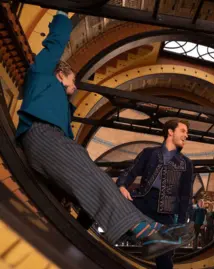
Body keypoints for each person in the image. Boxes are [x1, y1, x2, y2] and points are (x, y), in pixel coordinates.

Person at [16, 11, 192, 260]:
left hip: (54, 141)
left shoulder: (59, 107)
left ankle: (156, 231)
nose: (75, 87)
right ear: (59, 74)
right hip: (42, 135)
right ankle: (147, 230)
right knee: (94, 179)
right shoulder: (43, 74)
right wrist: (62, 13)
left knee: (98, 180)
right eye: (72, 80)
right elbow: (56, 40)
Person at [116, 119, 195, 268]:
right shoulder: (149, 153)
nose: (187, 136)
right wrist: (121, 185)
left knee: (164, 257)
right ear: (170, 132)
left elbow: (186, 196)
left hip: (167, 213)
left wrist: (181, 223)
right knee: (112, 202)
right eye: (183, 131)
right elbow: (131, 172)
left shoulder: (186, 163)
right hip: (142, 202)